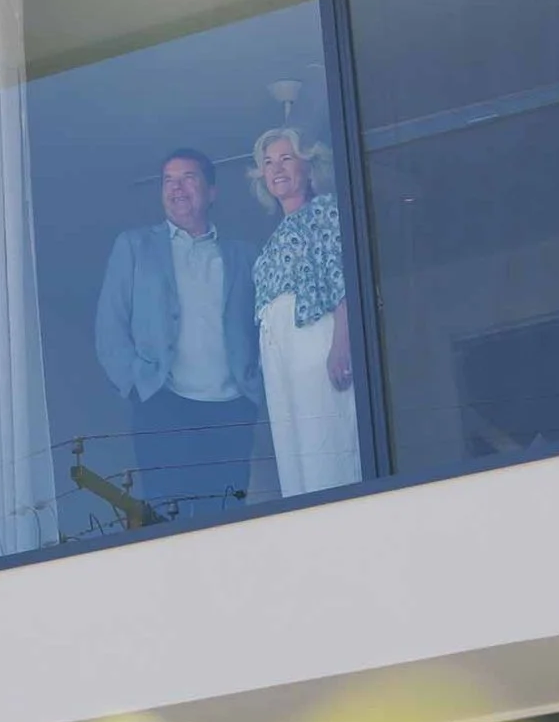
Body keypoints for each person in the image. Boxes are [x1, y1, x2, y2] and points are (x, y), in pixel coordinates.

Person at [93, 148, 266, 520]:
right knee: (168, 516)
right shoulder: (135, 246)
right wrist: (138, 386)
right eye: (168, 180)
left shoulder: (243, 255)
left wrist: (255, 388)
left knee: (227, 517)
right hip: (163, 401)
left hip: (232, 408)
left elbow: (265, 328)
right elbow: (110, 328)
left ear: (211, 191)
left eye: (188, 178)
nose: (177, 188)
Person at [250, 127, 360, 496]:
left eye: (286, 158)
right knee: (294, 454)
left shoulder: (325, 210)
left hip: (314, 340)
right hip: (282, 357)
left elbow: (341, 276)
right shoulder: (275, 235)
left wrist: (342, 344)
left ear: (308, 166)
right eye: (268, 162)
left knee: (324, 444)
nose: (275, 168)